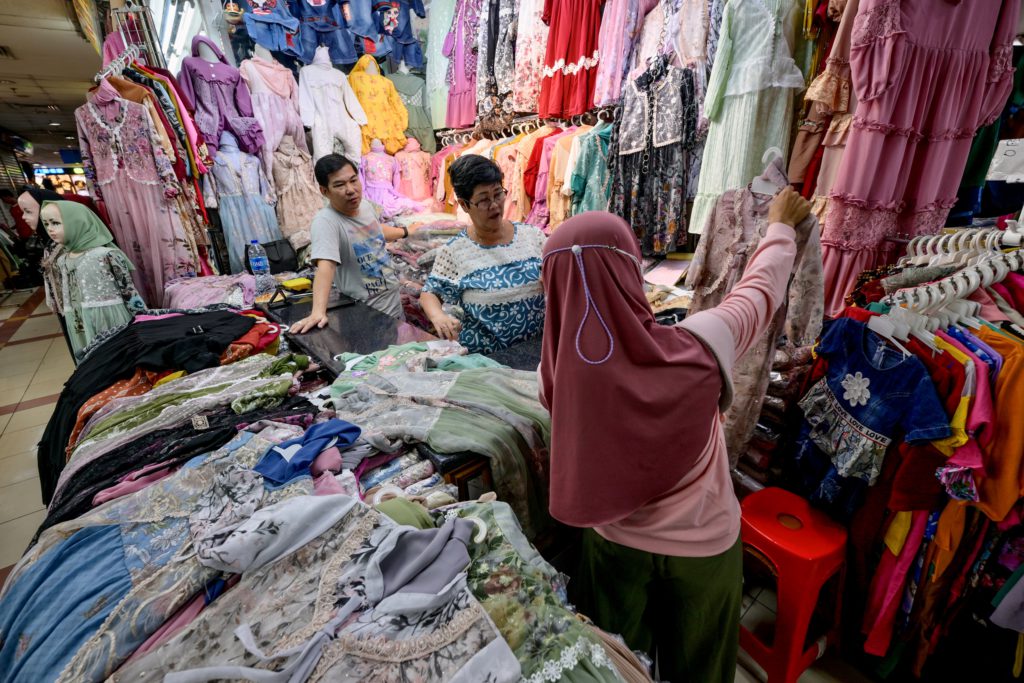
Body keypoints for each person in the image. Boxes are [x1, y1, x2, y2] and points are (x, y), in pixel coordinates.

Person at [539, 188, 813, 683]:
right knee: (701, 669)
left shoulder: (555, 373)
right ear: (631, 270)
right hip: (702, 544)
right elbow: (759, 292)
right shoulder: (705, 342)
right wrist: (780, 227)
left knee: (619, 667)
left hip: (614, 543)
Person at [420, 155, 546, 353]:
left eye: (498, 194)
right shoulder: (455, 251)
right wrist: (439, 317)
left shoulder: (533, 237)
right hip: (486, 359)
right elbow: (430, 293)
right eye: (484, 200)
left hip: (536, 353)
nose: (494, 205)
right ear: (464, 205)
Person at [291, 154, 405, 332]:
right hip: (366, 315)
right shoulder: (325, 222)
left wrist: (406, 232)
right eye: (339, 185)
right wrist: (318, 312)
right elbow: (326, 266)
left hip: (394, 305)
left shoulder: (365, 206)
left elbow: (375, 231)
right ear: (324, 191)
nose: (351, 190)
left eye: (353, 180)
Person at [40, 200, 146, 359]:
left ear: (77, 222)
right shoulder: (62, 260)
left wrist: (144, 319)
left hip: (110, 320)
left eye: (55, 223)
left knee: (119, 359)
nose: (50, 229)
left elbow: (129, 290)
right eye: (46, 224)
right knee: (94, 362)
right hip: (79, 321)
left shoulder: (106, 254)